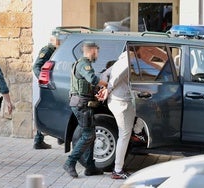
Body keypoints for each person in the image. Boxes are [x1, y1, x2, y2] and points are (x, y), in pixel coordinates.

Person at [63, 41, 107, 178]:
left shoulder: (82, 64)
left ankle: (90, 167)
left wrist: (96, 92)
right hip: (81, 105)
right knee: (88, 135)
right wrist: (106, 84)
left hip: (82, 103)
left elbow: (87, 85)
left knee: (91, 135)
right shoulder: (84, 64)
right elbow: (93, 79)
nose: (97, 55)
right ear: (93, 50)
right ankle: (70, 162)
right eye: (97, 51)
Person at [97, 50, 136, 179]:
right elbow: (116, 78)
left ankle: (137, 131)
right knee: (124, 135)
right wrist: (107, 89)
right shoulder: (127, 62)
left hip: (117, 101)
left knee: (125, 133)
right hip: (121, 102)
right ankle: (118, 170)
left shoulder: (121, 60)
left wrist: (105, 88)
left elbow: (105, 74)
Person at [33, 33, 63, 149]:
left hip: (54, 84)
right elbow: (36, 67)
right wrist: (44, 80)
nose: (60, 42)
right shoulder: (48, 50)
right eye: (59, 40)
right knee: (48, 109)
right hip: (49, 85)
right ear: (54, 40)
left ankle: (59, 137)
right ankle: (39, 140)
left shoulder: (57, 51)